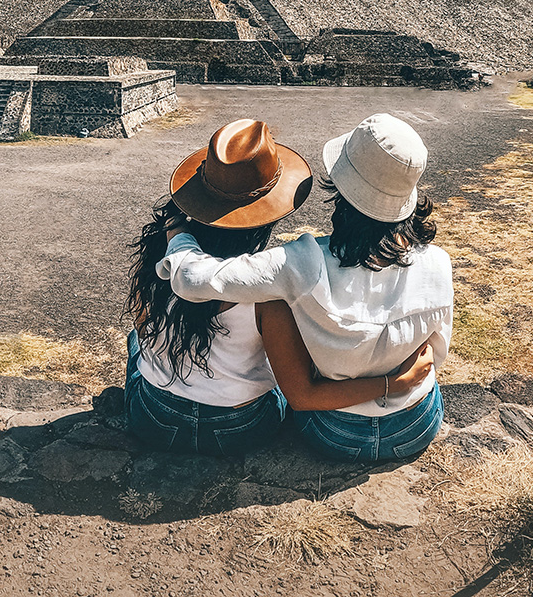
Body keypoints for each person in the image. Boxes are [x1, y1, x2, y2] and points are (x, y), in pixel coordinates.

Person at [125, 118, 436, 457]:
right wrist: (392, 384)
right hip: (240, 428)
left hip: (154, 418)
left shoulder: (161, 258)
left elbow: (148, 323)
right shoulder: (270, 290)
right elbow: (299, 391)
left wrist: (174, 230)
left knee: (134, 344)